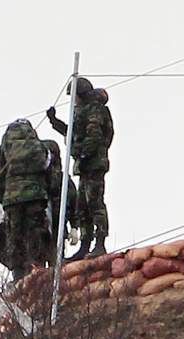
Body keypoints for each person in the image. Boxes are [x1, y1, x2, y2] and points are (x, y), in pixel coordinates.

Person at [46, 78, 114, 259]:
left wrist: (83, 153)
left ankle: (100, 242)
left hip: (93, 164)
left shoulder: (94, 110)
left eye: (75, 96)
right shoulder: (82, 110)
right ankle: (85, 245)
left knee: (94, 202)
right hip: (84, 166)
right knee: (82, 207)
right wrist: (55, 122)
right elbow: (74, 133)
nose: (74, 100)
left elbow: (94, 135)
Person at [0, 119, 51, 281]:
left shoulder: (6, 147)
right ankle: (37, 268)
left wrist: (3, 197)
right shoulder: (38, 146)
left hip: (12, 199)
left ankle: (18, 274)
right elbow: (47, 171)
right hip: (35, 196)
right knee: (36, 231)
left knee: (15, 236)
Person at [42, 139, 80, 265]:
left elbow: (74, 203)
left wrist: (74, 227)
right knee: (37, 274)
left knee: (55, 268)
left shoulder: (63, 180)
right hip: (40, 231)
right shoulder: (37, 180)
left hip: (57, 230)